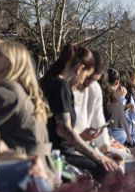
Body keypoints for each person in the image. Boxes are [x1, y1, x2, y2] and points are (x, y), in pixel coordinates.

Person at [0, 39, 59, 192]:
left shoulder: (7, 94)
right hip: (42, 170)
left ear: (11, 62)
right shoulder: (24, 92)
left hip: (23, 174)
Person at [39, 43, 119, 181]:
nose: (83, 82)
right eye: (86, 76)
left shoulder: (46, 82)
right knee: (108, 172)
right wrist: (98, 156)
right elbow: (65, 130)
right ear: (80, 69)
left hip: (49, 152)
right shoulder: (61, 86)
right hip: (59, 156)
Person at [74, 52, 135, 188]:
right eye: (88, 77)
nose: (89, 83)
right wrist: (101, 153)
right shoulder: (67, 90)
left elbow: (99, 123)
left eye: (93, 79)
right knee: (116, 169)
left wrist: (107, 149)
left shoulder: (95, 89)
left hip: (99, 144)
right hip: (79, 148)